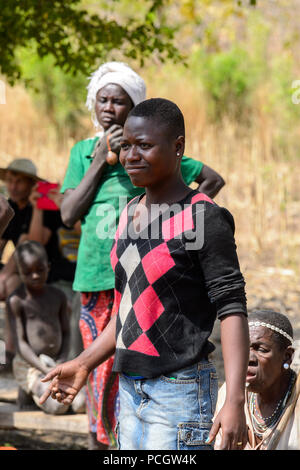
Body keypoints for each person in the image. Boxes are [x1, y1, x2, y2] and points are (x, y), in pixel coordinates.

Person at [41, 98, 249, 451]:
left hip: (180, 391)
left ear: (178, 147)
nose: (130, 156)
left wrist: (235, 400)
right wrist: (83, 363)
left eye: (145, 146)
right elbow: (127, 311)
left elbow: (232, 308)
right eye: (126, 147)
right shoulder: (129, 214)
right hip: (130, 391)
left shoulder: (204, 217)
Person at [0, 158, 82, 370]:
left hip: (45, 273)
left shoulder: (46, 208)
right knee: (9, 283)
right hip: (22, 271)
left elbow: (33, 243)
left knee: (12, 289)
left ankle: (10, 353)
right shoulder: (10, 208)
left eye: (19, 181)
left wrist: (38, 208)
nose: (13, 186)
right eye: (10, 181)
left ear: (32, 185)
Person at [6, 240, 84, 414]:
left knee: (81, 404)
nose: (35, 276)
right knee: (58, 406)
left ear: (48, 267)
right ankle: (29, 390)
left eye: (40, 270)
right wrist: (45, 370)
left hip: (58, 361)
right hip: (30, 364)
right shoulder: (17, 300)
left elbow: (66, 332)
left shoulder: (58, 296)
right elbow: (21, 344)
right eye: (28, 272)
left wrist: (63, 360)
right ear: (20, 273)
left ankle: (34, 391)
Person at [214, 310, 300, 450]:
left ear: (287, 357)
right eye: (242, 348)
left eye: (261, 349)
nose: (248, 358)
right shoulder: (228, 393)